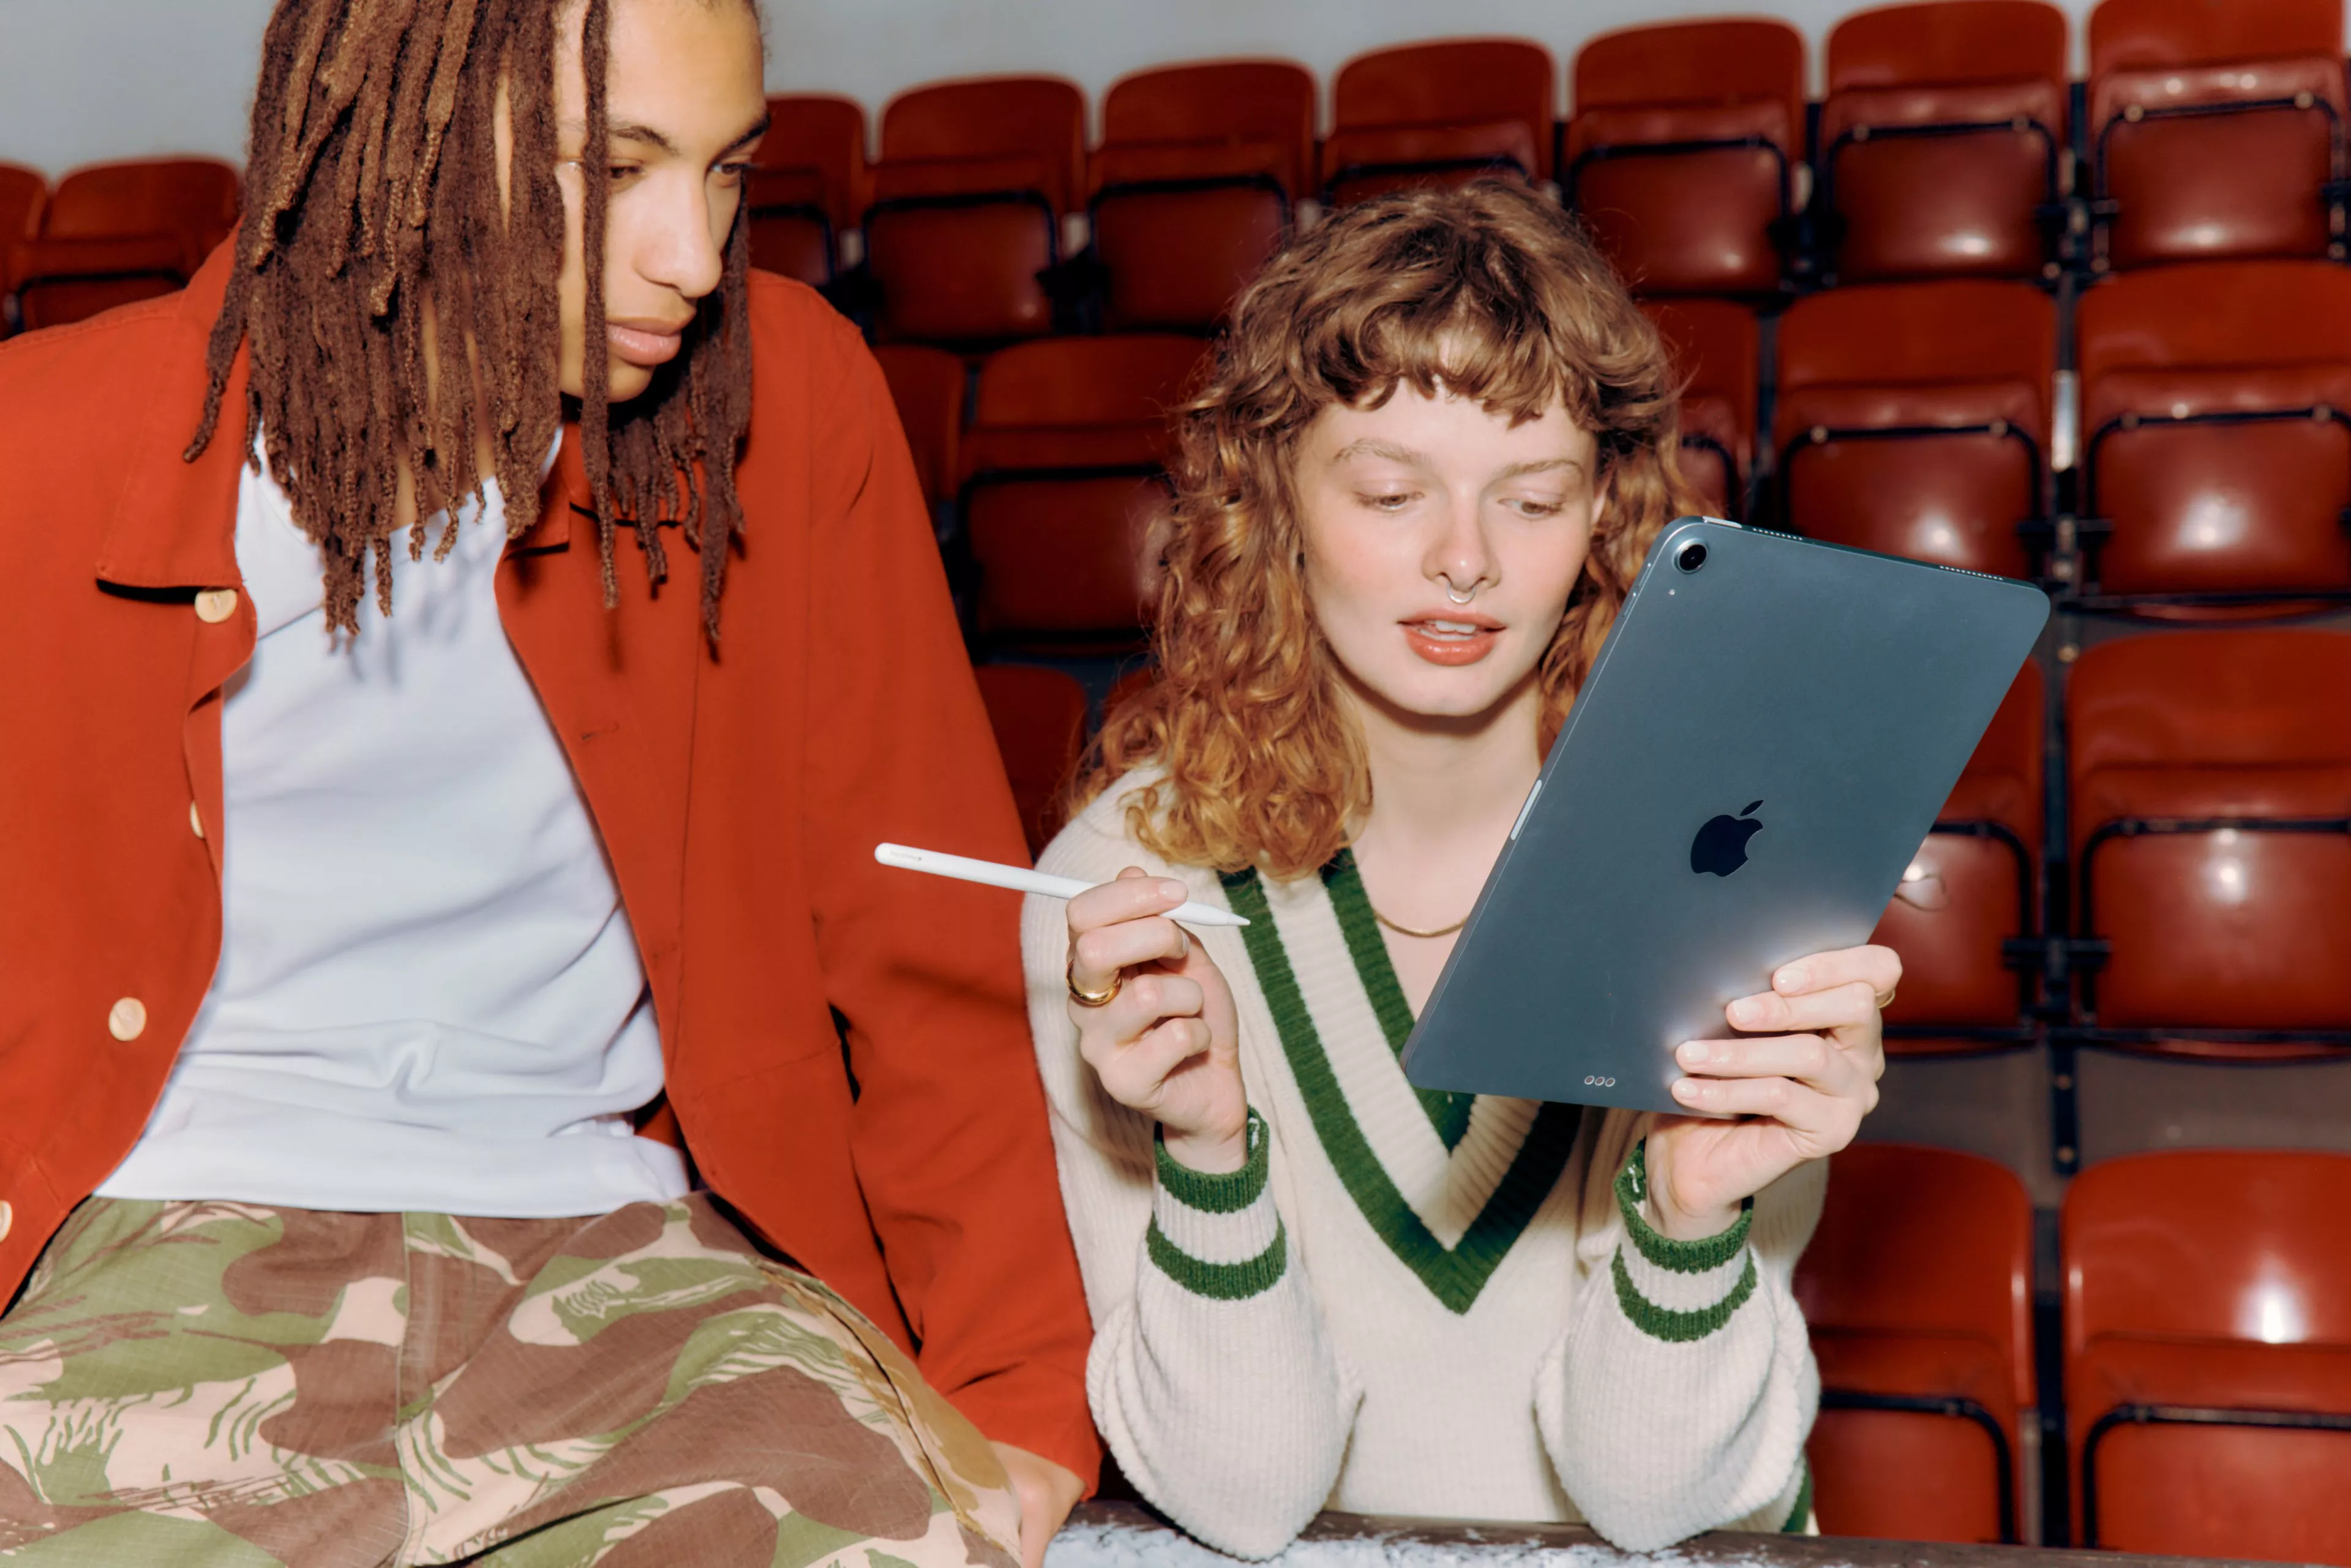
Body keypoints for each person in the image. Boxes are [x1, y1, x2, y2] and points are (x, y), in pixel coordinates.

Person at [0, 1, 1094, 1562]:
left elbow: (918, 934)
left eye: (728, 173)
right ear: (407, 130)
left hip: (627, 1264)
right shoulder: (45, 443)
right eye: (619, 169)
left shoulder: (786, 402)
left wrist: (1017, 1393)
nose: (696, 255)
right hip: (157, 1243)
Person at [1024, 181, 1896, 1559]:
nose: (1466, 562)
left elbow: (1659, 1501)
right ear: (1271, 502)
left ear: (1607, 513)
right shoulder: (1122, 894)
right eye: (1390, 491)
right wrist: (1205, 1149)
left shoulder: (1734, 857)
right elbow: (1242, 1495)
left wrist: (1688, 1209)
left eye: (1532, 496)